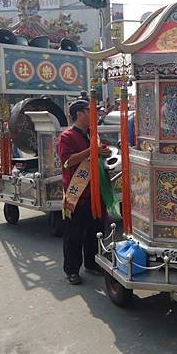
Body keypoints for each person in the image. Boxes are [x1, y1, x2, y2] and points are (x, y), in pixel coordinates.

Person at [56, 99, 110, 285]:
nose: (94, 114)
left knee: (95, 231)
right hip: (76, 194)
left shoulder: (92, 134)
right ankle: (72, 270)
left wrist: (103, 152)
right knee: (74, 235)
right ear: (80, 113)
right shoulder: (66, 137)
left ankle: (91, 263)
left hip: (95, 192)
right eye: (90, 111)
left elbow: (95, 154)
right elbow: (67, 161)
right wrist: (91, 151)